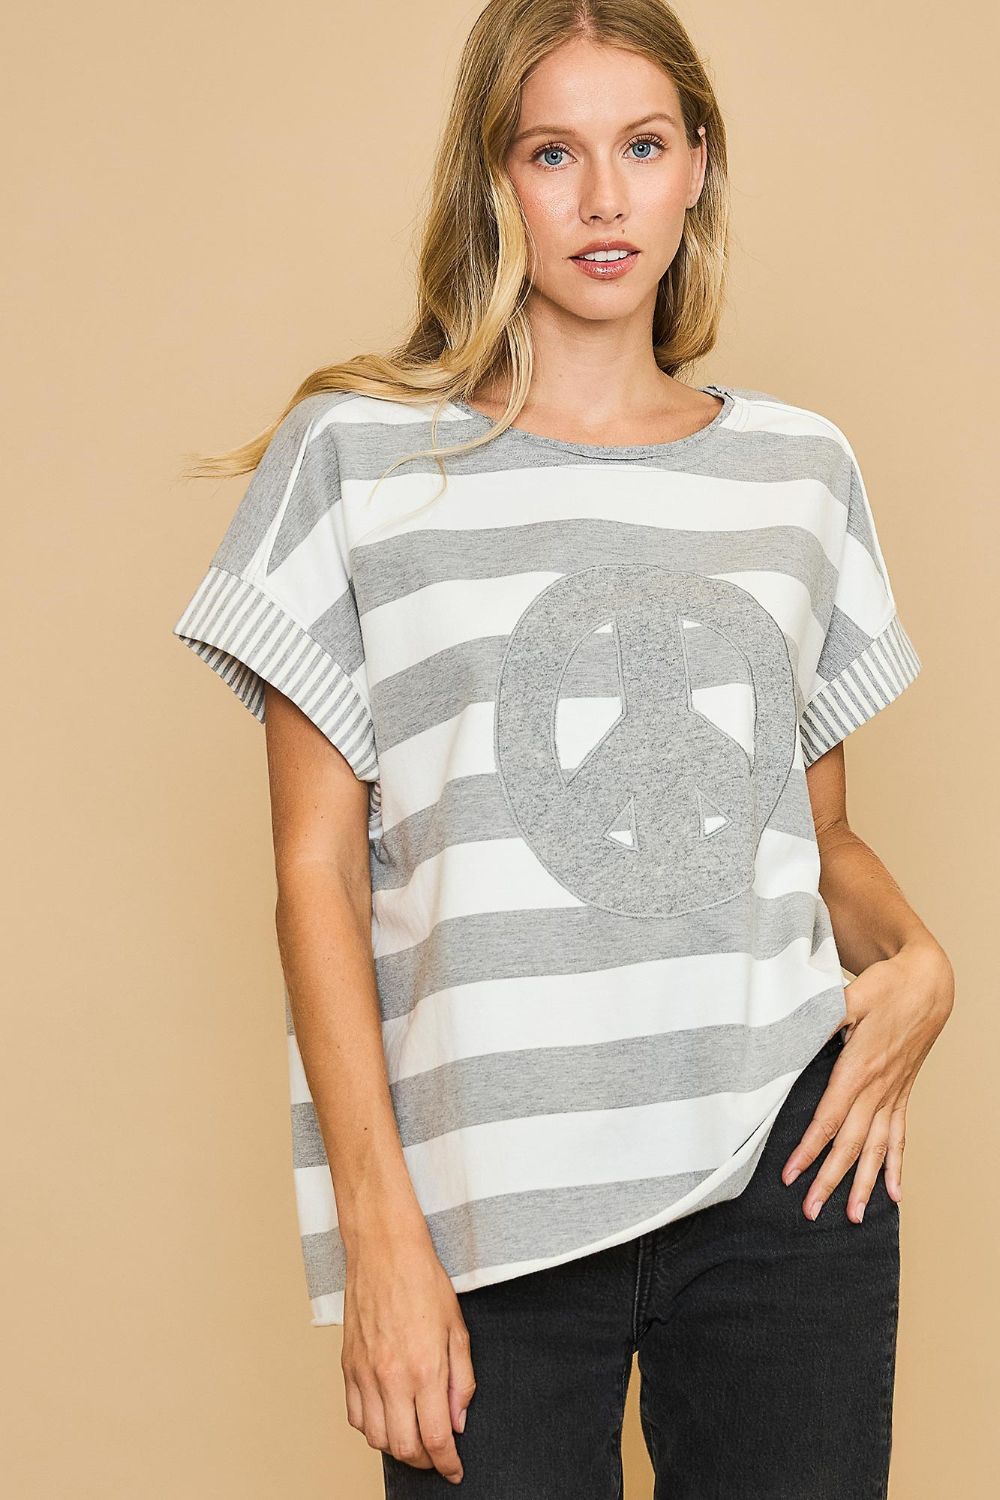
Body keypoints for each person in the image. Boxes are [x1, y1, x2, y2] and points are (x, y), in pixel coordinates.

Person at [171, 2, 955, 1495]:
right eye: (553, 152)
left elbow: (812, 832)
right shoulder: (357, 460)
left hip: (784, 1167)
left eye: (643, 146)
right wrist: (379, 1239)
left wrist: (921, 961)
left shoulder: (800, 469)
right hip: (487, 1195)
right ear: (494, 176)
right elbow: (315, 872)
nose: (604, 198)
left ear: (697, 166)